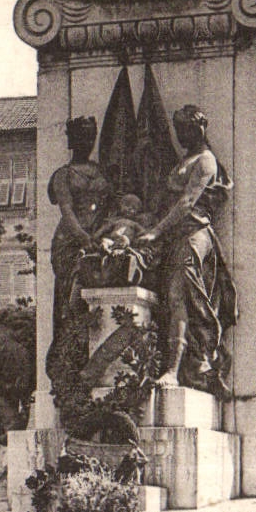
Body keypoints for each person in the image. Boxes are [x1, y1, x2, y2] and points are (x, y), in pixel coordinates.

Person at [138, 105, 237, 393]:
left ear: (198, 129)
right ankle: (173, 366)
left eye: (184, 129)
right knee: (172, 300)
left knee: (179, 295)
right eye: (177, 129)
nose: (179, 135)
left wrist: (156, 232)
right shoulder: (185, 161)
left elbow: (186, 203)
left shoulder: (206, 161)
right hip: (176, 237)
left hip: (195, 235)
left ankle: (174, 370)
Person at [46, 117, 114, 379]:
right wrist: (85, 239)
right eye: (81, 135)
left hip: (97, 240)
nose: (87, 140)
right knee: (68, 301)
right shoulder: (63, 175)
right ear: (72, 139)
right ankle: (67, 361)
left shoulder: (101, 172)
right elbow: (67, 212)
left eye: (91, 135)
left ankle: (88, 359)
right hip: (70, 243)